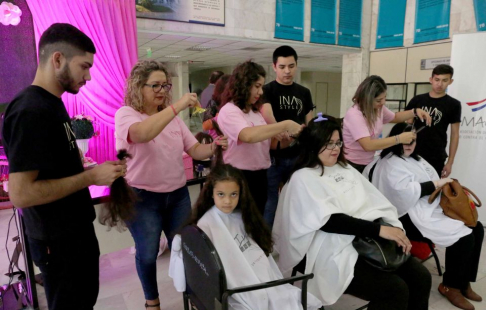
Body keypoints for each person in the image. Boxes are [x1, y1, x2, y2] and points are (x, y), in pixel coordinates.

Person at [2, 23, 126, 310]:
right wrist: (92, 176)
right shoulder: (30, 110)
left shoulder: (52, 104)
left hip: (73, 234)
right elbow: (21, 194)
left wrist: (93, 172)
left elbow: (56, 170)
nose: (89, 76)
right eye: (84, 66)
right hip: (57, 242)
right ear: (57, 59)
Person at [273, 115, 431, 309]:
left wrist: (392, 228)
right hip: (331, 246)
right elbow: (330, 221)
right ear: (313, 144)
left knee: (421, 277)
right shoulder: (303, 177)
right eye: (328, 143)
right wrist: (379, 230)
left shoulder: (345, 168)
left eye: (338, 142)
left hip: (367, 238)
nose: (335, 148)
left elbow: (374, 203)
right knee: (395, 290)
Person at [114, 60, 227, 310]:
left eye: (165, 85)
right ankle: (152, 302)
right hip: (143, 198)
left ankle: (194, 295)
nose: (162, 90)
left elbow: (195, 150)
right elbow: (142, 134)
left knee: (187, 249)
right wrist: (176, 107)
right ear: (137, 86)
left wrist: (214, 147)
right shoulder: (126, 114)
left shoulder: (173, 119)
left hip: (177, 196)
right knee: (147, 253)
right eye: (155, 85)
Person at [170, 164, 323, 309]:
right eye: (221, 194)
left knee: (290, 298)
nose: (227, 201)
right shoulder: (205, 226)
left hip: (261, 282)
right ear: (211, 193)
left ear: (241, 193)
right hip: (236, 291)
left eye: (233, 194)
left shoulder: (242, 217)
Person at [367, 122, 484, 310]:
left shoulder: (417, 159)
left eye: (413, 140)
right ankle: (450, 286)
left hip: (429, 207)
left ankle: (463, 283)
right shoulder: (389, 162)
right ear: (396, 140)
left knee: (476, 227)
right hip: (407, 215)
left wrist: (443, 186)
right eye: (405, 140)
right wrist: (437, 183)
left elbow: (430, 181)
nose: (410, 144)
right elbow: (402, 193)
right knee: (464, 237)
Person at [217, 60, 303, 215]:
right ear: (244, 85)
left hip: (261, 175)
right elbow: (247, 136)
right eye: (257, 86)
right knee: (240, 224)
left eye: (261, 87)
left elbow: (266, 144)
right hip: (239, 176)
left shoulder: (255, 112)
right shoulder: (229, 111)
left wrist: (287, 139)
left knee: (257, 221)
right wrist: (285, 125)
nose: (261, 92)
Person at [260, 45, 314, 228]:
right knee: (270, 202)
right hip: (273, 156)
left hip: (298, 156)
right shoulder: (266, 90)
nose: (287, 71)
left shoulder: (304, 92)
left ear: (296, 65)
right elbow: (268, 116)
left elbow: (310, 122)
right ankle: (265, 243)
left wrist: (308, 132)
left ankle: (295, 236)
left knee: (298, 199)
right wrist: (281, 131)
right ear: (274, 67)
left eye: (291, 66)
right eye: (282, 66)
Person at [342, 75, 432, 172]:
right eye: (379, 100)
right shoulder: (355, 115)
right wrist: (399, 138)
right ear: (367, 99)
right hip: (353, 164)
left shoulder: (378, 108)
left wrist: (414, 112)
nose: (383, 102)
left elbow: (395, 117)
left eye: (385, 98)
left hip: (369, 161)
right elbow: (368, 145)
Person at [405, 64, 460, 177]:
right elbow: (406, 126)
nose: (440, 84)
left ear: (451, 81)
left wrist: (450, 162)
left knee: (433, 189)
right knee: (410, 188)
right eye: (437, 80)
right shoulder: (417, 100)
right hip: (413, 152)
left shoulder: (454, 104)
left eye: (445, 80)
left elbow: (455, 135)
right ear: (431, 80)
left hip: (436, 155)